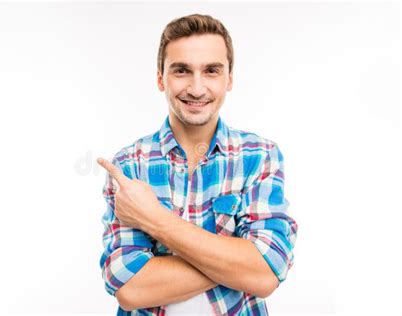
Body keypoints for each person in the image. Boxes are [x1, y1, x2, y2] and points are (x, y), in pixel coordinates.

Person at [97, 13, 298, 315]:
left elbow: (266, 273)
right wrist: (238, 262)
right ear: (160, 78)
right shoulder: (129, 165)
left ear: (229, 78)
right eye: (181, 70)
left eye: (211, 71)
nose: (196, 87)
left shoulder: (260, 156)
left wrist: (153, 219)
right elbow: (130, 288)